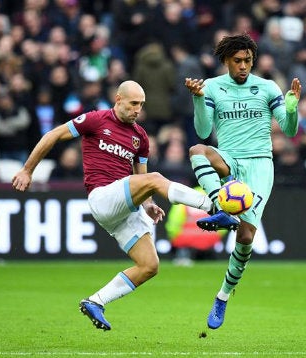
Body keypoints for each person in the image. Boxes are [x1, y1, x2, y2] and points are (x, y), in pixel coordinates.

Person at [12, 80, 213, 331]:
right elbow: (54, 134)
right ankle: (212, 205)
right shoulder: (96, 120)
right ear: (118, 99)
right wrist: (27, 170)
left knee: (150, 266)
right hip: (102, 197)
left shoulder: (140, 137)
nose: (138, 109)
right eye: (133, 103)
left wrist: (148, 204)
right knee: (156, 179)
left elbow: (141, 174)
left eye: (141, 104)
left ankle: (95, 301)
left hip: (124, 209)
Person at [184, 33, 301, 330]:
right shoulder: (211, 87)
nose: (244, 66)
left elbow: (289, 131)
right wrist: (198, 99)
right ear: (225, 61)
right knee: (197, 151)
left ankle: (222, 296)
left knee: (246, 237)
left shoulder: (266, 87)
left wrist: (291, 107)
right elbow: (202, 130)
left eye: (248, 60)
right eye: (238, 61)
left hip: (260, 165)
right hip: (229, 158)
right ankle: (217, 205)